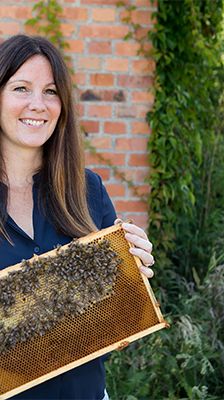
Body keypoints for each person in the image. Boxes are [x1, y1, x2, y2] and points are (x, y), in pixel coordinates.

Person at [0, 35, 155, 399]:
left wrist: (134, 276)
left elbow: (116, 322)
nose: (38, 104)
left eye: (51, 92)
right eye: (21, 88)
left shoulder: (88, 190)